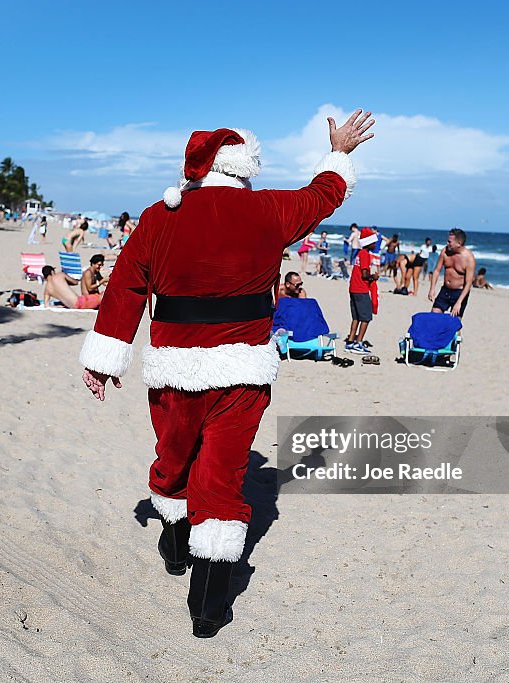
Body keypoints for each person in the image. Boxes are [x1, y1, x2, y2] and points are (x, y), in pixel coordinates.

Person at [79, 112, 374, 637]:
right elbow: (323, 194)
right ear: (245, 167)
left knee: (173, 458)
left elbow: (125, 286)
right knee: (220, 477)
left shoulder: (158, 216)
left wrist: (104, 360)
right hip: (242, 373)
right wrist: (339, 151)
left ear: (196, 168)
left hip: (173, 370)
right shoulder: (269, 209)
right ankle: (208, 607)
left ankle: (175, 543)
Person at [345, 227, 380, 353]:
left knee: (356, 317)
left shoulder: (360, 253)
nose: (376, 244)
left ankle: (350, 341)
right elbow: (364, 274)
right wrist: (373, 277)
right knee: (365, 317)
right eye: (374, 242)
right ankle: (358, 342)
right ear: (369, 243)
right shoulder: (365, 255)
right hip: (361, 289)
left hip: (353, 288)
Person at [428, 228, 475, 317]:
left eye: (450, 242)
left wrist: (459, 302)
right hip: (445, 290)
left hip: (459, 293)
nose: (447, 243)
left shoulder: (469, 258)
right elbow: (437, 270)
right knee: (434, 318)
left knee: (454, 325)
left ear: (459, 243)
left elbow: (468, 283)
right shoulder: (445, 252)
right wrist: (432, 288)